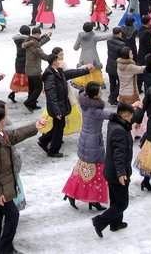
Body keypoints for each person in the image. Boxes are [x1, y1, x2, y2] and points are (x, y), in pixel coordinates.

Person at [0, 105, 46, 253]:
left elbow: (17, 134)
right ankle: (5, 247)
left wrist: (35, 126)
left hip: (4, 185)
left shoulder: (0, 134)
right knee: (13, 215)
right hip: (1, 189)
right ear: (2, 120)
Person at [91, 101, 144, 237]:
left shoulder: (115, 121)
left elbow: (135, 114)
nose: (130, 119)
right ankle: (100, 221)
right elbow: (118, 154)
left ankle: (116, 224)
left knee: (115, 200)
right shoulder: (120, 131)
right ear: (123, 115)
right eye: (128, 116)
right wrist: (121, 173)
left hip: (111, 170)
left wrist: (139, 106)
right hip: (117, 173)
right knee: (122, 203)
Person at [62, 81, 118, 211]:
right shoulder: (95, 110)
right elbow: (112, 115)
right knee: (96, 172)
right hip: (93, 143)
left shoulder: (85, 102)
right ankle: (93, 199)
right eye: (100, 91)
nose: (102, 92)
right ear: (95, 95)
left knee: (82, 169)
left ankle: (72, 193)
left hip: (85, 139)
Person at [38, 53, 92, 158]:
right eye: (58, 59)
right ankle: (52, 151)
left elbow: (72, 73)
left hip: (61, 105)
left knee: (59, 126)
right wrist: (57, 111)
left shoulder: (58, 72)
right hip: (57, 107)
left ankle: (43, 140)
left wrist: (86, 70)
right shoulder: (50, 76)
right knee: (59, 128)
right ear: (54, 62)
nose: (60, 61)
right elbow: (51, 96)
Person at [22, 27, 51, 111]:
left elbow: (39, 42)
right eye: (39, 34)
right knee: (38, 87)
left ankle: (32, 104)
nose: (39, 36)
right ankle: (28, 102)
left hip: (29, 68)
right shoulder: (34, 43)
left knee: (32, 87)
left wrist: (47, 36)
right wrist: (51, 58)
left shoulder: (29, 40)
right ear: (36, 34)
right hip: (34, 69)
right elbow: (41, 54)